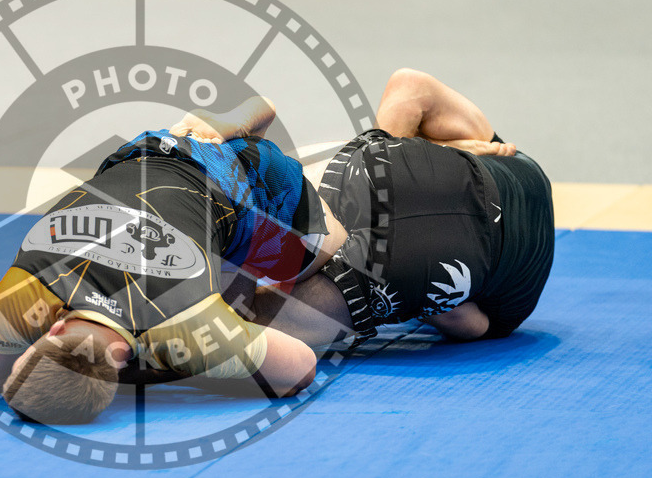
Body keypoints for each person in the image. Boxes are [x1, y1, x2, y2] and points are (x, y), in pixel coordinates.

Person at [0, 96, 349, 425]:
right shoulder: (27, 294)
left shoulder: (188, 332)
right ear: (53, 332)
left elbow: (299, 370)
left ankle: (273, 164)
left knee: (330, 248)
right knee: (226, 281)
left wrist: (173, 367)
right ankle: (211, 135)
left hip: (244, 179)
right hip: (145, 151)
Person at [182, 68, 555, 349]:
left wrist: (420, 151)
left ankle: (237, 184)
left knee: (280, 194)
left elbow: (410, 84)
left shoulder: (520, 166)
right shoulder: (507, 313)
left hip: (389, 170)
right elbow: (468, 323)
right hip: (417, 261)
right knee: (239, 330)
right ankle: (209, 298)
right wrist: (427, 296)